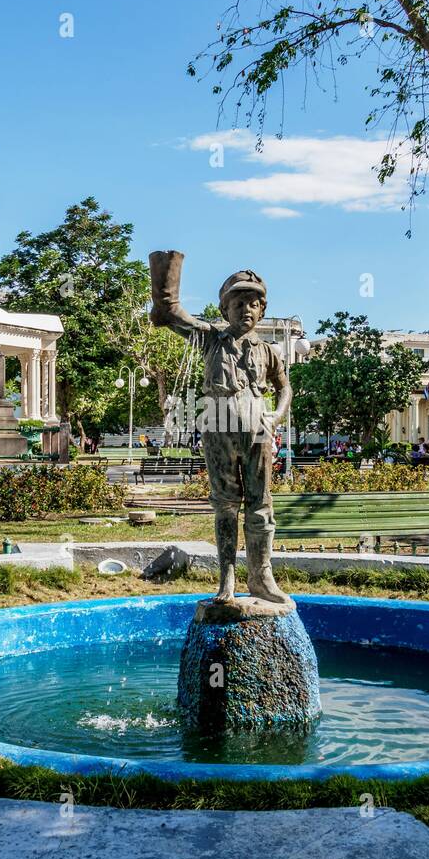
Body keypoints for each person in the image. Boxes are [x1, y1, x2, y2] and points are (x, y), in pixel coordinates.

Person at [149, 257, 292, 607]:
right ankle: (226, 578)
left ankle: (261, 576)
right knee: (225, 506)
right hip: (217, 421)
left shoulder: (268, 351)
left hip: (258, 426)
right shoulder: (210, 339)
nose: (247, 309)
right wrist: (165, 289)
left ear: (262, 311)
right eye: (238, 303)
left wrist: (275, 417)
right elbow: (172, 313)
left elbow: (285, 388)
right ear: (224, 308)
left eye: (254, 304)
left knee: (260, 504)